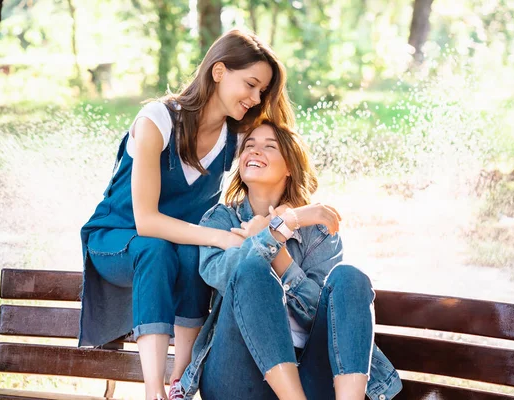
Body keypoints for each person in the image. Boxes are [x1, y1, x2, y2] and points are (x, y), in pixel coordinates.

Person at [78, 30, 329, 400]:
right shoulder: (157, 120)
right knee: (158, 248)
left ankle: (179, 381)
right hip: (116, 239)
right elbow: (146, 222)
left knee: (189, 252)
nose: (256, 98)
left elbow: (278, 165)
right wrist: (222, 237)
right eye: (251, 84)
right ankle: (153, 391)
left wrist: (290, 211)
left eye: (262, 91)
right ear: (218, 72)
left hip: (174, 245)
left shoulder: (236, 136)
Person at [179, 122, 402, 400]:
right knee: (251, 271)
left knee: (350, 277)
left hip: (309, 372)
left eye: (269, 146)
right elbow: (224, 277)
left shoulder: (319, 233)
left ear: (289, 166)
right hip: (237, 373)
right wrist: (279, 230)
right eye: (249, 145)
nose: (255, 151)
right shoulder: (221, 220)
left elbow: (325, 316)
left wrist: (281, 244)